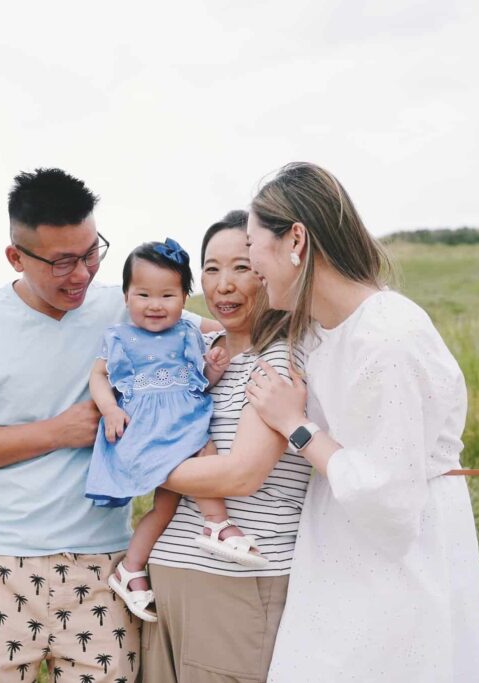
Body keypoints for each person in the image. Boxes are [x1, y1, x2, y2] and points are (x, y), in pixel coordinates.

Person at [0, 168, 213, 682]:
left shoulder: (130, 307)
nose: (82, 274)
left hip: (103, 568)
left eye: (92, 252)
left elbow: (225, 332)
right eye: (62, 261)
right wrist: (58, 431)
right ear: (16, 257)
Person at [239, 162, 479, 680]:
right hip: (341, 540)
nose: (248, 263)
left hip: (398, 549)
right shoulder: (319, 328)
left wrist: (296, 427)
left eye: (251, 244)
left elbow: (389, 496)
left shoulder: (388, 337)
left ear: (296, 240)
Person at [142, 210, 313, 682]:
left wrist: (136, 466)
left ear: (269, 266)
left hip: (236, 582)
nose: (224, 284)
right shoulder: (202, 354)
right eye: (211, 269)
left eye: (241, 266)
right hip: (168, 575)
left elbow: (241, 474)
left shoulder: (278, 359)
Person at [87, 238, 266, 624]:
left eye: (167, 295)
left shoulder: (187, 331)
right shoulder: (120, 336)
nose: (155, 304)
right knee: (206, 448)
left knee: (166, 505)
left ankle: (130, 568)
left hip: (183, 419)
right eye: (143, 294)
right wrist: (110, 408)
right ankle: (216, 522)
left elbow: (200, 374)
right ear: (126, 295)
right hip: (147, 429)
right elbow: (98, 376)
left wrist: (214, 371)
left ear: (185, 297)